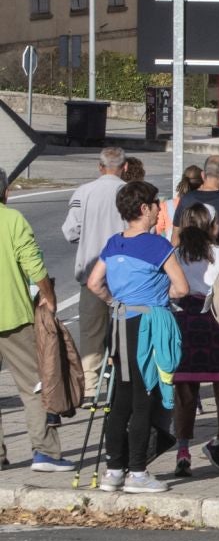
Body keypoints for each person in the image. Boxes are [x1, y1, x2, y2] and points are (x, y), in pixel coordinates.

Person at [85, 180, 188, 494]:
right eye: (156, 204)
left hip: (119, 323)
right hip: (146, 325)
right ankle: (138, 473)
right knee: (143, 400)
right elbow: (182, 288)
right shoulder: (157, 246)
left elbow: (94, 283)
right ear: (144, 208)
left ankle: (114, 470)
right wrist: (160, 297)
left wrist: (113, 301)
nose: (159, 209)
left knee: (120, 398)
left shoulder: (114, 242)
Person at [169, 202, 219, 479]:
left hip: (184, 322)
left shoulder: (175, 254)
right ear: (212, 226)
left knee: (185, 393)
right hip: (217, 323)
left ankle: (183, 451)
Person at [0, 183, 65, 474]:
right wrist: (48, 298)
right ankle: (45, 452)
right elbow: (33, 264)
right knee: (34, 385)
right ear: (5, 193)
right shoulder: (12, 220)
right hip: (12, 315)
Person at [63, 145, 129, 394]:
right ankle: (121, 384)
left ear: (100, 167)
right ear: (124, 167)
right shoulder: (129, 193)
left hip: (91, 272)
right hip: (124, 275)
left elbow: (70, 231)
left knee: (91, 332)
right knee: (123, 330)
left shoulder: (84, 192)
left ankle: (90, 387)